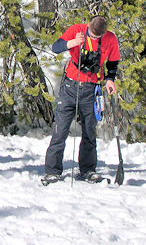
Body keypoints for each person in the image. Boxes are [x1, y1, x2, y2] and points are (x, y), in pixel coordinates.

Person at [42, 16, 120, 185]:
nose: (93, 38)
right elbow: (56, 47)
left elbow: (113, 62)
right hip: (70, 87)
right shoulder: (76, 30)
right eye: (91, 35)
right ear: (88, 27)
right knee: (60, 130)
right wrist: (71, 43)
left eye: (97, 37)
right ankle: (52, 171)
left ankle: (87, 169)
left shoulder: (110, 38)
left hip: (92, 89)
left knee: (89, 132)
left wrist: (110, 79)